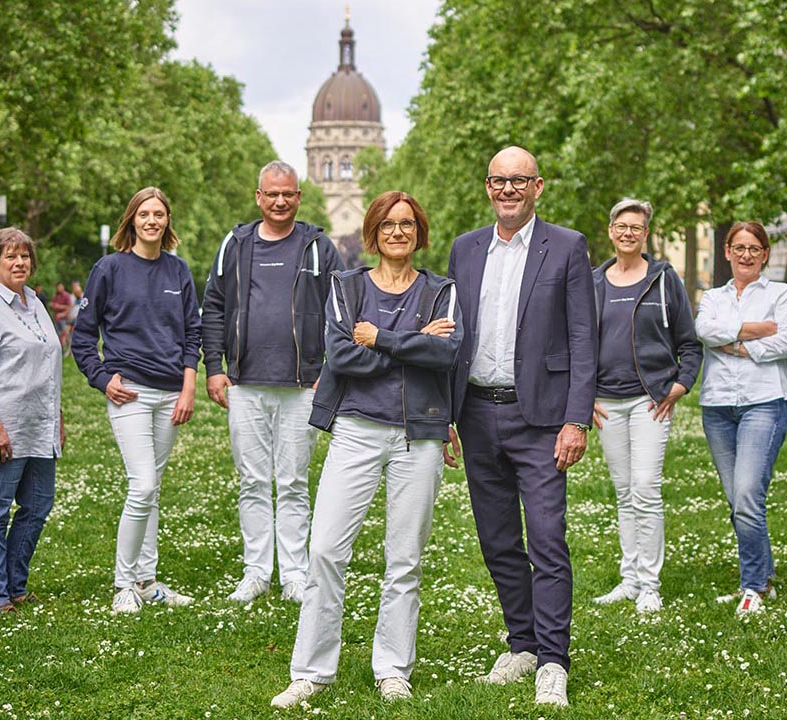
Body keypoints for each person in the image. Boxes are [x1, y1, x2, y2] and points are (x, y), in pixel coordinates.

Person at [271, 191, 461, 707]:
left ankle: (393, 668)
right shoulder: (346, 287)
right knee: (326, 549)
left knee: (405, 559)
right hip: (355, 429)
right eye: (387, 225)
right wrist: (411, 342)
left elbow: (444, 353)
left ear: (419, 233)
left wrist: (381, 339)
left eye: (407, 225)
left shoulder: (441, 291)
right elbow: (340, 357)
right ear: (372, 232)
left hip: (416, 436)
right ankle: (311, 672)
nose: (397, 232)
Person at [443, 146, 596, 708]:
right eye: (498, 181)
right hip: (477, 413)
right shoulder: (465, 249)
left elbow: (583, 338)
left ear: (538, 187)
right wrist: (445, 416)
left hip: (541, 418)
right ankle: (523, 644)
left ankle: (553, 659)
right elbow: (452, 336)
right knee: (499, 540)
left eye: (519, 181)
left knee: (547, 540)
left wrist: (577, 418)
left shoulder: (568, 246)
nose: (508, 190)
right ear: (488, 188)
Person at [202, 160, 344, 606]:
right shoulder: (235, 243)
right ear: (258, 197)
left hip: (304, 384)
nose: (280, 201)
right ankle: (256, 571)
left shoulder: (318, 246)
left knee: (294, 481)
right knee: (252, 480)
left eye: (288, 194)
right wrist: (214, 366)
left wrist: (330, 372)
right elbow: (213, 306)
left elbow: (341, 311)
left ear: (298, 197)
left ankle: (296, 575)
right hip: (245, 382)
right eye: (272, 194)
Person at [72, 187, 201, 615]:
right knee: (142, 484)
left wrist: (188, 388)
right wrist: (102, 379)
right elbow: (84, 337)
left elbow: (191, 335)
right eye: (144, 214)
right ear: (132, 220)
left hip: (170, 395)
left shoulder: (178, 271)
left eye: (159, 214)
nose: (152, 221)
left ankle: (147, 581)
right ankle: (123, 584)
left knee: (153, 489)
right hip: (129, 392)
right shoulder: (109, 269)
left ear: (167, 221)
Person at [590, 199, 701, 615]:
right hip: (606, 402)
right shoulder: (594, 281)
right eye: (621, 226)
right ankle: (630, 577)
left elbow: (689, 341)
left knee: (645, 488)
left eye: (636, 227)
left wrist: (680, 385)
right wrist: (584, 398)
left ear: (646, 235)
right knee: (623, 492)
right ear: (611, 230)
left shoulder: (663, 279)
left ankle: (650, 585)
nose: (628, 233)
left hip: (650, 400)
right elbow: (579, 344)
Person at [695, 221, 787, 615]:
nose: (746, 255)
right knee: (738, 498)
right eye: (739, 247)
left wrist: (734, 344)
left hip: (764, 402)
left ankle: (752, 584)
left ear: (765, 253)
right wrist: (756, 331)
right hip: (717, 407)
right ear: (727, 251)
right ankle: (763, 578)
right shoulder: (713, 296)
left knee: (746, 495)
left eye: (754, 248)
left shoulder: (781, 292)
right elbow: (704, 330)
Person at [0, 228, 63, 613]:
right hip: (4, 427)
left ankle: (16, 585)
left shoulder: (35, 303)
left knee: (38, 505)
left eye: (25, 257)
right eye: (10, 257)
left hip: (40, 426)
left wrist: (59, 417)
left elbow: (49, 365)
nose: (19, 263)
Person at [51, 282, 74, 348]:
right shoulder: (55, 296)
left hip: (64, 318)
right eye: (58, 287)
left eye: (60, 287)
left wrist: (61, 310)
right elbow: (53, 305)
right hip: (56, 318)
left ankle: (69, 349)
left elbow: (70, 306)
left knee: (65, 334)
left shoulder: (66, 295)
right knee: (57, 334)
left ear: (63, 287)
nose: (59, 288)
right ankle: (61, 349)